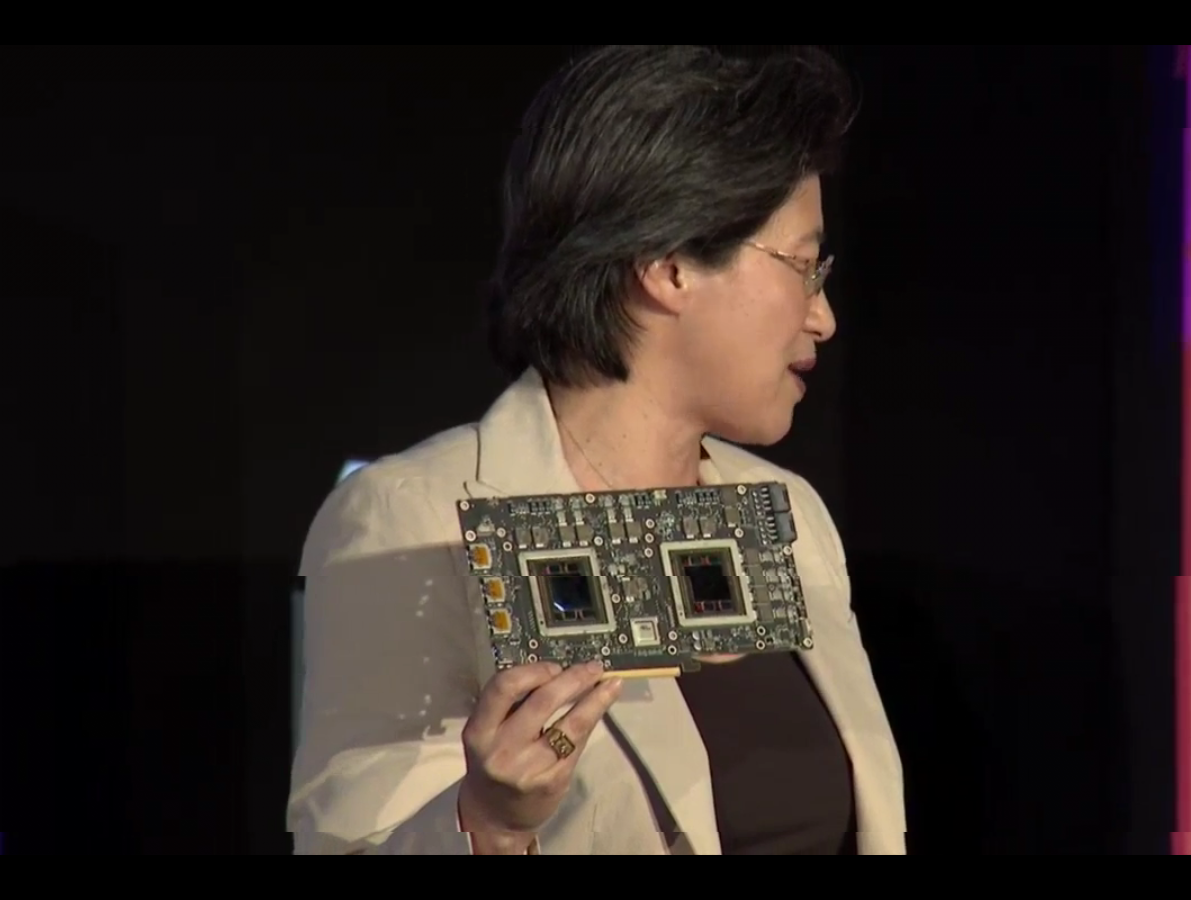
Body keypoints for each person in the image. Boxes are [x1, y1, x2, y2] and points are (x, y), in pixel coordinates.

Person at [288, 44, 906, 855]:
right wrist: (489, 823)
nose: (822, 316)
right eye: (801, 265)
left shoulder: (791, 516)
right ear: (669, 266)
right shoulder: (413, 518)